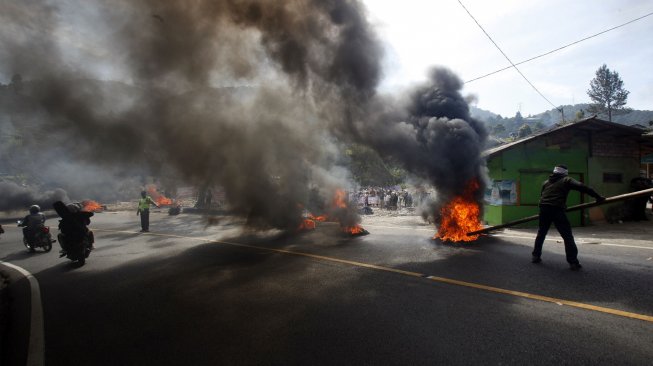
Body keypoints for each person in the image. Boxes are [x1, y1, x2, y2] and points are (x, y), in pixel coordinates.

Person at [532, 164, 605, 270]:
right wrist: (598, 197)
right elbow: (583, 187)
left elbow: (542, 196)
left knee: (541, 233)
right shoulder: (566, 180)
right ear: (565, 172)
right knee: (567, 236)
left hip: (544, 209)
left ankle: (535, 256)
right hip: (556, 209)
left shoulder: (546, 182)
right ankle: (573, 262)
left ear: (554, 172)